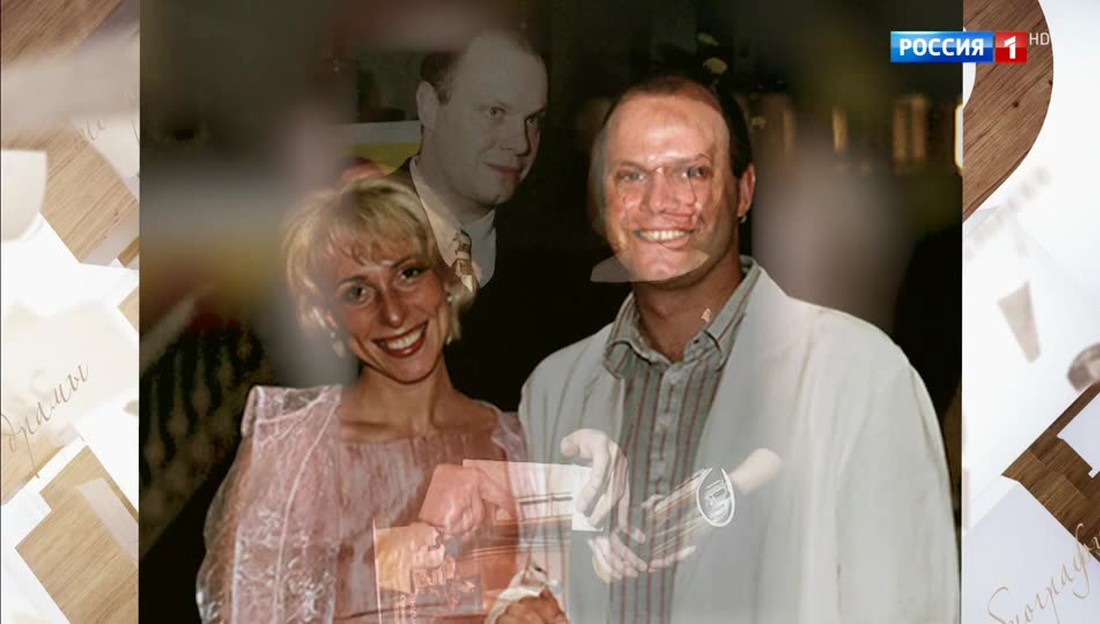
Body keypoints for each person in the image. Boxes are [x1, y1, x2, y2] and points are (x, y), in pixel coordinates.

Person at [492, 75, 959, 623]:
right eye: (631, 175)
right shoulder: (555, 389)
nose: (658, 201)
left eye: (691, 172)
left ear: (744, 191)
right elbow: (538, 582)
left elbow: (909, 605)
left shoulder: (861, 375)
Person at [196, 178, 529, 622]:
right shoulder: (298, 450)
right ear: (325, 315)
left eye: (409, 273)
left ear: (447, 278)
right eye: (356, 292)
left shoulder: (519, 444)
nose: (393, 312)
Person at [389, 28, 626, 411]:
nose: (520, 143)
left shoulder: (571, 263)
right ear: (429, 106)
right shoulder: (344, 240)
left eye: (533, 120)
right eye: (495, 113)